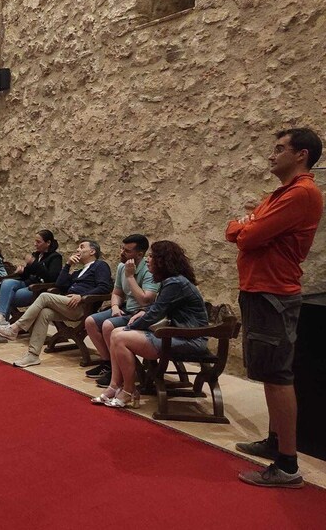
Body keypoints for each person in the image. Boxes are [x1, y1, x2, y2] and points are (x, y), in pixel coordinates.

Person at [227, 128, 323, 489]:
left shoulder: (301, 193)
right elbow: (240, 227)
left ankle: (287, 464)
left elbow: (248, 234)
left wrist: (245, 227)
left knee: (278, 374)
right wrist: (245, 226)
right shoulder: (279, 194)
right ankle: (274, 440)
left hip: (273, 292)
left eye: (280, 149)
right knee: (269, 372)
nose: (272, 154)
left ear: (301, 155)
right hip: (260, 289)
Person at [90, 240, 208, 409]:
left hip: (190, 339)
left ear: (163, 260)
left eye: (152, 256)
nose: (148, 259)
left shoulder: (175, 282)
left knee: (120, 336)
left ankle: (129, 391)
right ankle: (115, 386)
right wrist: (143, 312)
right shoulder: (172, 281)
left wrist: (133, 325)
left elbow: (156, 313)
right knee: (116, 333)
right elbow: (157, 307)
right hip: (177, 334)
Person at [0, 240, 112, 367]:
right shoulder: (79, 272)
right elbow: (59, 284)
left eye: (81, 247)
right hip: (69, 305)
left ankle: (15, 328)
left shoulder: (100, 265)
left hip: (83, 306)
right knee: (45, 313)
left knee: (44, 296)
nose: (77, 249)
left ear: (92, 251)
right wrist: (68, 264)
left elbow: (105, 287)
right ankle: (33, 355)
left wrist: (82, 297)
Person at [83, 234, 159, 387]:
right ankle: (108, 363)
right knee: (90, 321)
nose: (122, 253)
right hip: (125, 309)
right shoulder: (121, 267)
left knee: (108, 325)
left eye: (127, 251)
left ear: (139, 254)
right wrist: (115, 306)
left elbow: (146, 299)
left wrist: (130, 277)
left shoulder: (149, 270)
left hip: (142, 312)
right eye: (122, 248)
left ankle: (118, 371)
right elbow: (117, 293)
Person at [0, 230, 63, 344]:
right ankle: (1, 320)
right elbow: (28, 275)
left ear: (48, 243)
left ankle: (1, 331)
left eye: (38, 242)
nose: (35, 244)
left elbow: (51, 277)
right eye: (35, 241)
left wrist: (34, 263)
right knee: (7, 283)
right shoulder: (36, 254)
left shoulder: (55, 257)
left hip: (38, 289)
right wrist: (22, 271)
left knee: (6, 297)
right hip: (27, 284)